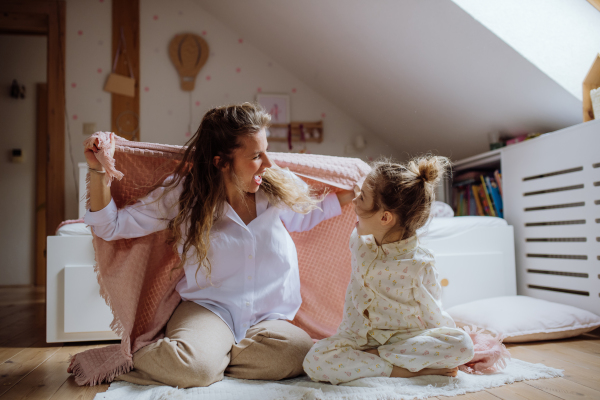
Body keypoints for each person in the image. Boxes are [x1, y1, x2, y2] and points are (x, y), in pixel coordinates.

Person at [84, 103, 355, 388]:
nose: (268, 163)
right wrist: (98, 171)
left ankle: (211, 358)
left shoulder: (274, 186)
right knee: (195, 370)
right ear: (221, 162)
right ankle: (157, 358)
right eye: (255, 156)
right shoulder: (183, 195)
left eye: (266, 151)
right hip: (208, 309)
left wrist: (350, 195)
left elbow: (307, 213)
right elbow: (110, 226)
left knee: (298, 352)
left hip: (269, 317)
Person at [303, 156, 475, 385]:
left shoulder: (420, 263)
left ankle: (375, 362)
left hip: (404, 339)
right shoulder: (358, 242)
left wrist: (439, 342)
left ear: (385, 217)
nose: (354, 201)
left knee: (462, 344)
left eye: (361, 197)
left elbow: (433, 309)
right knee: (314, 361)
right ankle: (402, 370)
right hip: (358, 339)